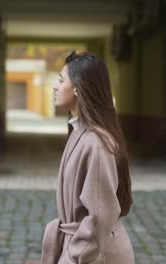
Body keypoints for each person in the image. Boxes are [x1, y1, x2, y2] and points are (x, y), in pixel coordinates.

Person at [41, 51, 134, 264]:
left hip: (94, 255)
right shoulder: (79, 131)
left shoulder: (96, 142)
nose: (55, 87)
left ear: (77, 88)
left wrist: (72, 257)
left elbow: (100, 216)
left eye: (61, 80)